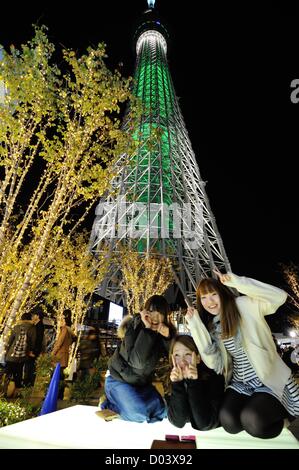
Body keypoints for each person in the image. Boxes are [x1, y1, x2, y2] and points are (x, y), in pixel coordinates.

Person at [186, 269, 299, 439]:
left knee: (252, 420)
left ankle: (285, 417)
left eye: (213, 294)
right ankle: (259, 409)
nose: (209, 302)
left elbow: (279, 297)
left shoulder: (243, 306)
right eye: (203, 298)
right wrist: (195, 325)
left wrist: (237, 282)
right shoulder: (213, 326)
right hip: (241, 381)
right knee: (229, 422)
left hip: (266, 377)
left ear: (222, 293)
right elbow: (213, 362)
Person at [101, 295, 176, 423]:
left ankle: (128, 405)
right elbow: (138, 362)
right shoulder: (134, 327)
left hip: (141, 385)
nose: (155, 317)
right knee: (140, 413)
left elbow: (173, 357)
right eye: (152, 311)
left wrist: (168, 338)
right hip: (118, 380)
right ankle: (108, 403)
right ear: (145, 312)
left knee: (163, 412)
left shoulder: (162, 333)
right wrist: (148, 330)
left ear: (165, 316)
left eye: (160, 313)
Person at [167, 334, 224, 430]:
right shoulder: (172, 377)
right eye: (177, 355)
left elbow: (204, 423)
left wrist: (193, 382)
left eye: (187, 354)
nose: (182, 361)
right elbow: (178, 422)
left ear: (198, 358)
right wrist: (177, 384)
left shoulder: (213, 376)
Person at [5, 312, 36, 390]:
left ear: (22, 319)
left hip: (11, 355)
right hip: (22, 356)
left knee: (7, 373)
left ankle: (3, 391)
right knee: (18, 374)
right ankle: (16, 392)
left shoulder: (16, 327)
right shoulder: (33, 329)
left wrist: (6, 352)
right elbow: (33, 343)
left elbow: (9, 341)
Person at [24, 307, 45, 386]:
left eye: (34, 315)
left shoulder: (39, 326)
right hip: (34, 349)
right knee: (31, 366)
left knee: (31, 366)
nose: (33, 316)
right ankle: (29, 382)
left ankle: (29, 382)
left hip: (34, 349)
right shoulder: (38, 325)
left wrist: (34, 350)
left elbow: (38, 340)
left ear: (38, 316)